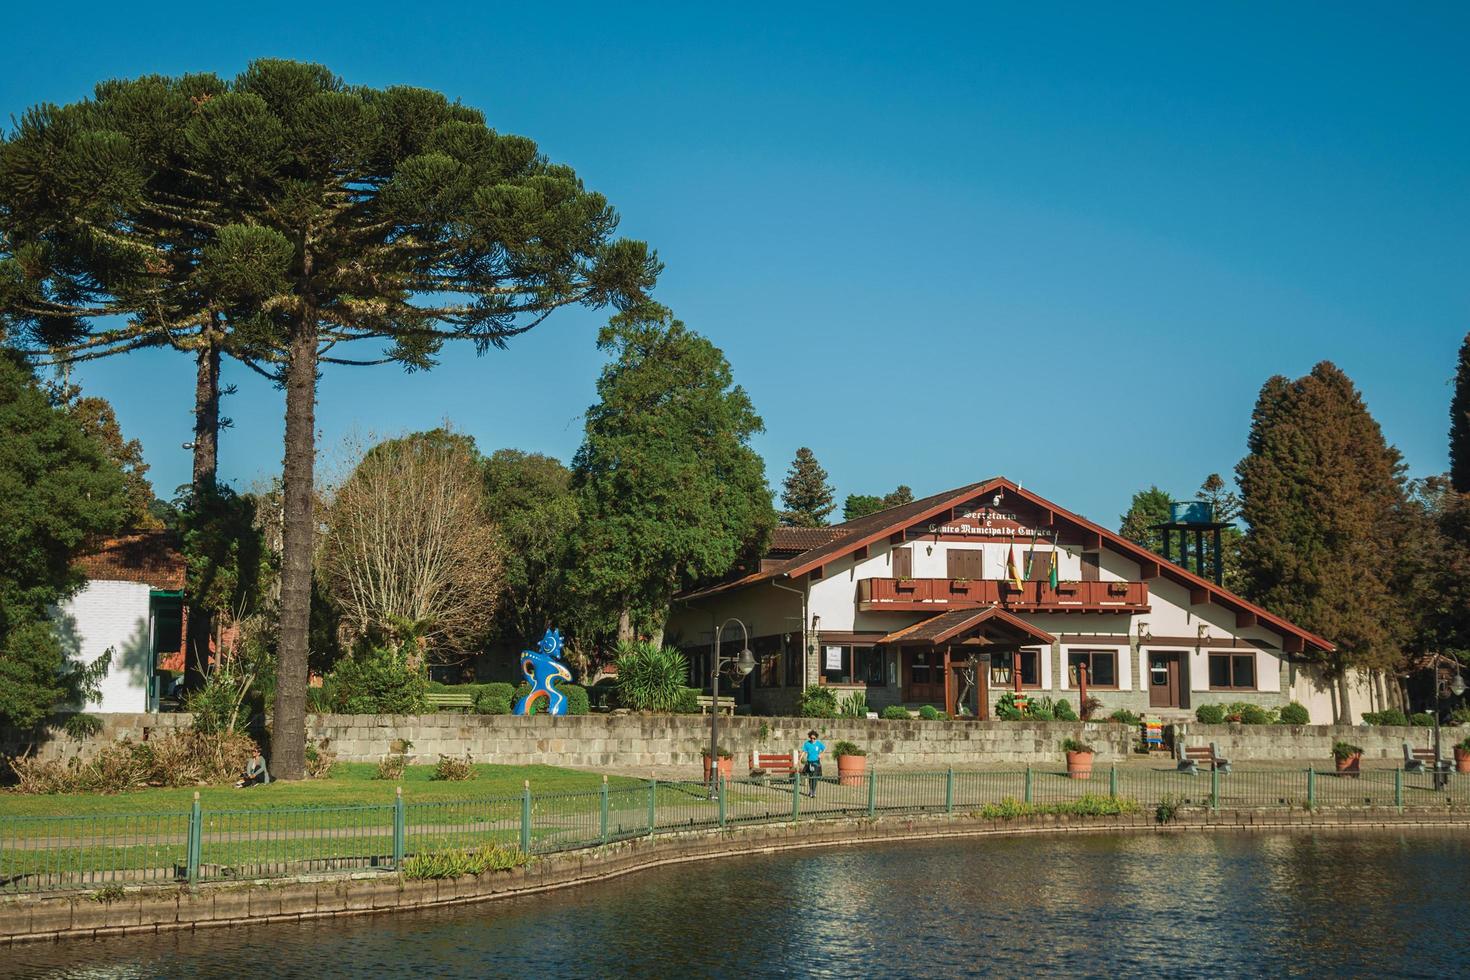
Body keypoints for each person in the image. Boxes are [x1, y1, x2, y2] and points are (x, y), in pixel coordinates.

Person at [801, 730, 826, 797]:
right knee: (810, 777)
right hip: (809, 762)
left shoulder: (818, 743)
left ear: (816, 738)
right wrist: (800, 759)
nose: (812, 739)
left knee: (815, 777)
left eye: (814, 738)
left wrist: (821, 754)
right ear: (809, 737)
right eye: (811, 738)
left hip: (816, 762)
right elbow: (804, 751)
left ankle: (813, 791)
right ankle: (811, 790)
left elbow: (824, 749)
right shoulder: (807, 744)